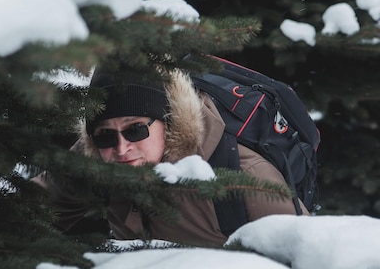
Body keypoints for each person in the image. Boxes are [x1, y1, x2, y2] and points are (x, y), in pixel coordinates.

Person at [32, 61, 309, 247]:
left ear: (168, 121)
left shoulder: (246, 176)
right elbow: (26, 211)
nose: (121, 148)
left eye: (136, 130)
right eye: (105, 134)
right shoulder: (97, 156)